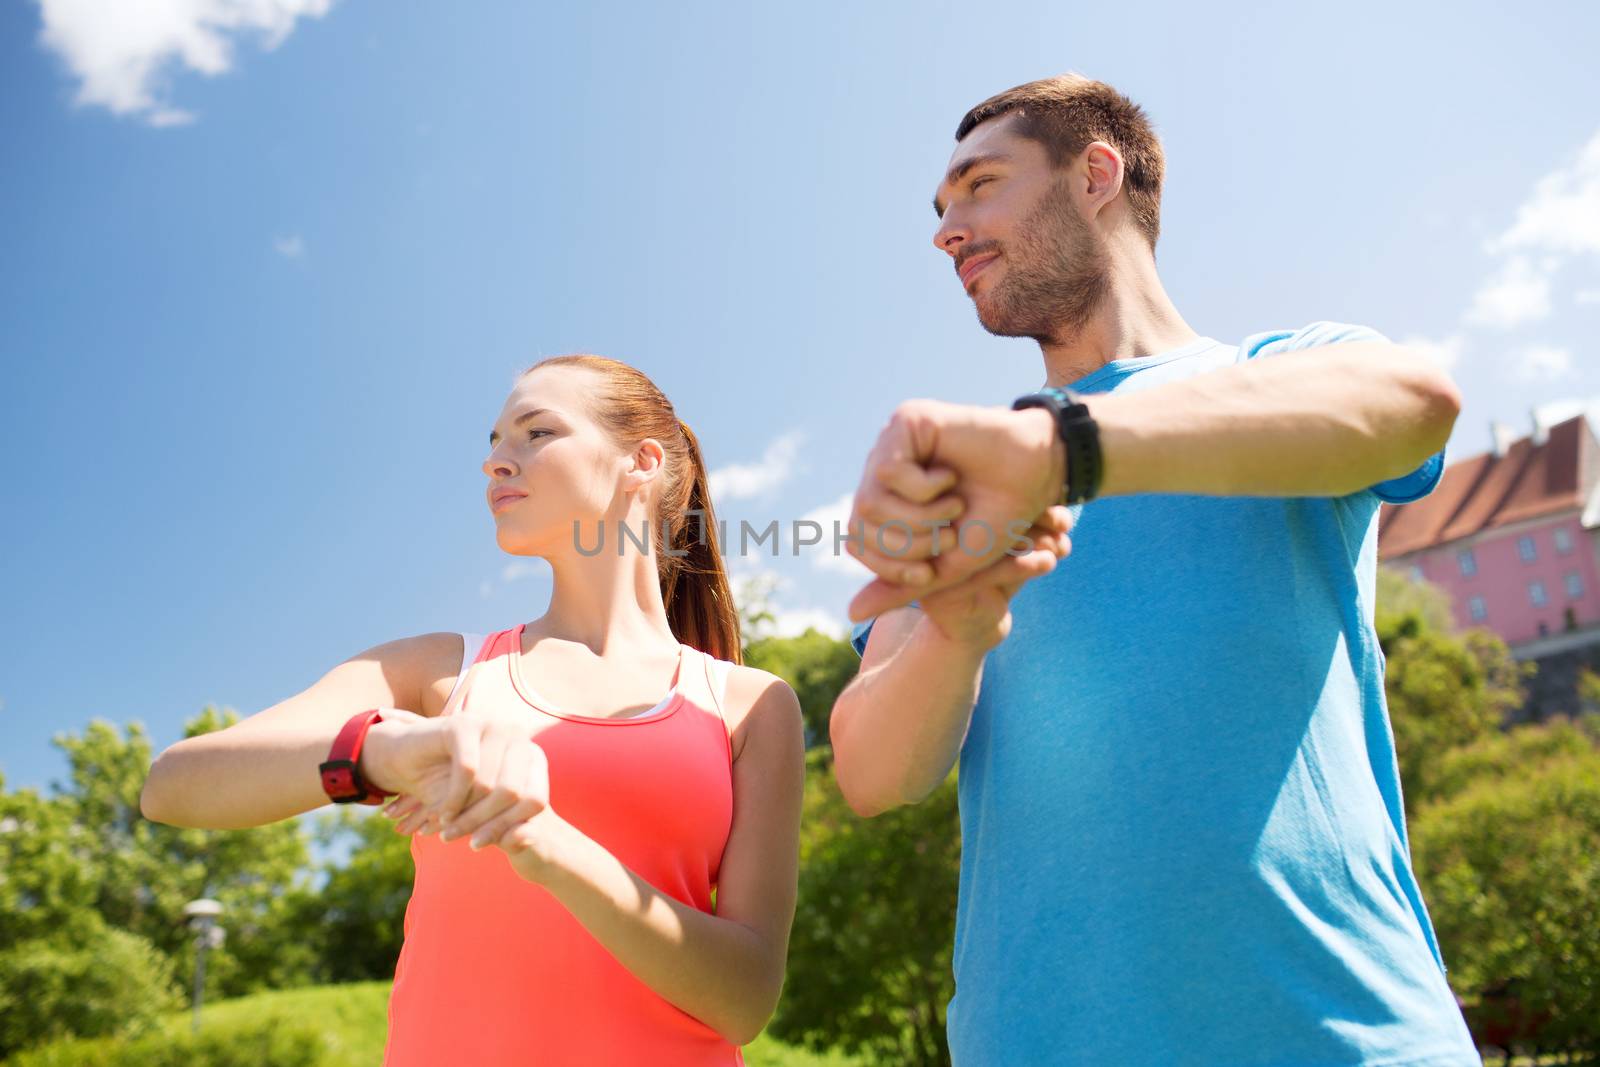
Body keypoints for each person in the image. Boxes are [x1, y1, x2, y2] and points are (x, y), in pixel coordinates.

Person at [829, 74, 1479, 1065]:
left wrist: (1064, 448)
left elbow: (1414, 400)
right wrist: (958, 623)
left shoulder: (1283, 372)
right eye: (939, 207)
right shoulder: (961, 486)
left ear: (1097, 172)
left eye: (977, 185)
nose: (945, 229)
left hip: (1342, 1033)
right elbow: (874, 774)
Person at [140, 354, 806, 1066]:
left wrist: (547, 844)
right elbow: (172, 786)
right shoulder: (438, 674)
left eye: (534, 433)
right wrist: (376, 751)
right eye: (491, 443)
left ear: (639, 461)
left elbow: (744, 999)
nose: (496, 462)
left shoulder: (750, 706)